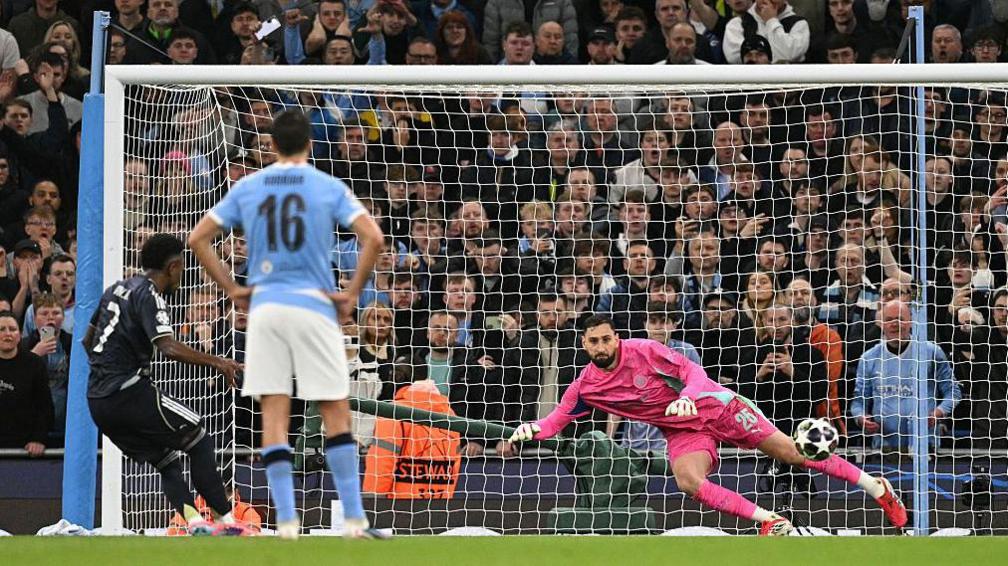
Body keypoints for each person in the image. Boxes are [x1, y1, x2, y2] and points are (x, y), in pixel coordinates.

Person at [508, 315, 907, 535]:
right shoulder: (585, 386)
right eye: (593, 342)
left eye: (606, 339)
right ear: (583, 345)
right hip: (683, 430)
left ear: (617, 338)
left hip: (718, 406)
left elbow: (694, 372)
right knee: (687, 482)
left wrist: (686, 396)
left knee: (792, 453)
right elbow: (555, 421)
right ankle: (770, 521)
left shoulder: (645, 351)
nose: (601, 347)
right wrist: (528, 430)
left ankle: (876, 487)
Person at [188, 109, 388, 540]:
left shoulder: (250, 186)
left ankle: (286, 522)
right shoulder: (327, 185)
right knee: (334, 410)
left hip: (266, 309)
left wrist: (232, 289)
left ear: (272, 145)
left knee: (274, 414)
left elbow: (197, 238)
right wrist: (351, 293)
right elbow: (373, 237)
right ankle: (354, 520)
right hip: (314, 305)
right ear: (311, 145)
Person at [83, 234, 244, 535]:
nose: (182, 274)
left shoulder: (115, 290)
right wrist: (220, 362)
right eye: (182, 267)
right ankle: (227, 522)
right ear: (172, 267)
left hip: (98, 402)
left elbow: (87, 340)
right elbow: (167, 347)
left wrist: (105, 371)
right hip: (128, 391)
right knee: (199, 437)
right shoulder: (150, 294)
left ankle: (195, 523)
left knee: (167, 460)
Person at [852, 300, 962, 451]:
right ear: (882, 324)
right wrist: (861, 418)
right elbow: (858, 402)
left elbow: (953, 392)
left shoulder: (931, 352)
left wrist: (938, 413)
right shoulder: (869, 358)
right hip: (884, 448)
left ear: (910, 322)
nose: (894, 324)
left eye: (900, 319)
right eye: (889, 320)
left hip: (925, 447)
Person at [0, 310, 52, 455]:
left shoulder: (34, 364)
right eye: (2, 329)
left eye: (12, 329)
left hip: (25, 448)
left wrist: (39, 439)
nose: (8, 334)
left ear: (20, 335)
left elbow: (45, 406)